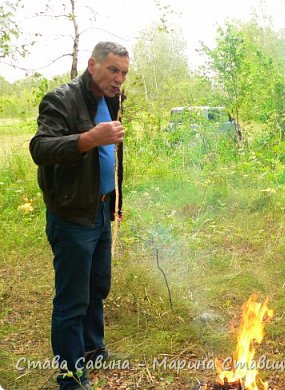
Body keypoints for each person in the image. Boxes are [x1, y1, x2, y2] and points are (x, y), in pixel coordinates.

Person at [29, 41, 129, 390]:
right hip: (72, 213)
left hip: (101, 207)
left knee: (97, 286)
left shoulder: (113, 99)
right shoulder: (61, 99)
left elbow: (112, 159)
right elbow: (40, 149)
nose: (119, 79)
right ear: (92, 64)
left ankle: (92, 348)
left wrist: (116, 201)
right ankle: (71, 376)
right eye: (113, 70)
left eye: (124, 73)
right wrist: (88, 139)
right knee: (72, 298)